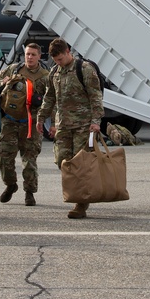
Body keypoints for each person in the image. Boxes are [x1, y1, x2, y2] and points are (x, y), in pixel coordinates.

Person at [37, 38, 104, 219]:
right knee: (62, 162)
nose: (58, 62)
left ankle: (80, 203)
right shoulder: (54, 72)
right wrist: (41, 117)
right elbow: (49, 97)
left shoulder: (84, 69)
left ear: (68, 51)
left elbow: (96, 97)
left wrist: (96, 121)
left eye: (60, 59)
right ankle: (81, 193)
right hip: (64, 125)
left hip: (84, 125)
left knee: (80, 164)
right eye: (55, 60)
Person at [0, 42, 50, 206]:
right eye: (27, 54)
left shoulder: (45, 77)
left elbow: (52, 99)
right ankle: (11, 185)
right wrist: (3, 82)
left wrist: (50, 121)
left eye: (33, 54)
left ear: (39, 56)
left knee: (29, 161)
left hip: (30, 124)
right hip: (9, 121)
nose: (30, 57)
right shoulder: (14, 69)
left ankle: (29, 193)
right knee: (4, 156)